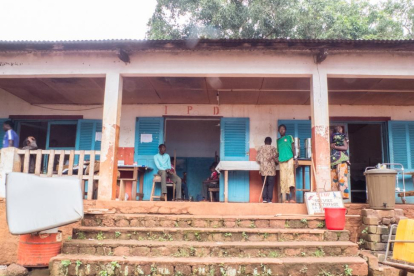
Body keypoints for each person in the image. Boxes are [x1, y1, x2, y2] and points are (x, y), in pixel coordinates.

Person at [277, 124, 298, 203]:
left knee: (290, 177)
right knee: (283, 179)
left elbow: (293, 148)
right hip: (281, 161)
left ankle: (292, 198)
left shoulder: (289, 137)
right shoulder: (278, 141)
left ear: (285, 130)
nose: (282, 130)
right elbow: (278, 152)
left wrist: (295, 158)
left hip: (289, 159)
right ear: (278, 131)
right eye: (280, 129)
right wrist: (274, 158)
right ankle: (286, 198)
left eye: (283, 129)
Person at [330, 126, 350, 199]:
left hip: (333, 160)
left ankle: (334, 196)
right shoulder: (341, 137)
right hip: (341, 160)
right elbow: (345, 147)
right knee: (342, 177)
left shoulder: (332, 139)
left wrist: (334, 147)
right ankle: (343, 195)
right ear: (340, 130)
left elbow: (344, 147)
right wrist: (335, 147)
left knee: (334, 179)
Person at [256, 137, 277, 203]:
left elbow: (258, 159)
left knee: (264, 184)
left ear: (264, 142)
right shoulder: (273, 148)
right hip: (271, 170)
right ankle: (269, 199)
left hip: (263, 170)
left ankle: (264, 199)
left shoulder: (260, 148)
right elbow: (276, 160)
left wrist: (263, 163)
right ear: (271, 142)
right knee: (270, 184)